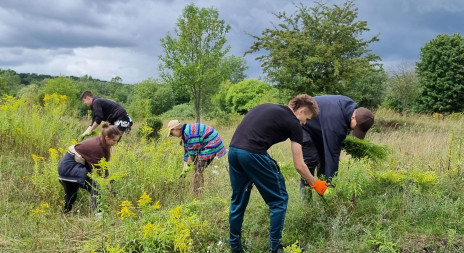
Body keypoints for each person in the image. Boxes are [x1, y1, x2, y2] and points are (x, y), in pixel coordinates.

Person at [227, 94, 328, 253]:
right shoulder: (294, 123)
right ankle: (276, 248)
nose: (304, 123)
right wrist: (314, 183)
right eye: (307, 119)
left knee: (238, 200)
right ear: (301, 111)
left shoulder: (267, 107)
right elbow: (299, 165)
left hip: (233, 151)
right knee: (279, 200)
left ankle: (235, 246)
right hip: (252, 154)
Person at [299, 95, 374, 200]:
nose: (354, 130)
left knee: (324, 162)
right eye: (356, 128)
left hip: (319, 128)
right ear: (353, 117)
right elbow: (332, 153)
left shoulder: (350, 107)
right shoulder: (336, 122)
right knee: (310, 161)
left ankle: (322, 196)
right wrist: (332, 183)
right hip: (304, 124)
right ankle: (306, 201)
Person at [58, 123, 121, 214]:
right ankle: (99, 216)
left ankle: (65, 213)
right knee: (95, 187)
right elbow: (101, 171)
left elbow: (101, 167)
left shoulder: (100, 142)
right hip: (70, 168)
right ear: (107, 137)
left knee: (71, 194)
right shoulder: (97, 147)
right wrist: (110, 188)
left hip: (70, 167)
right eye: (114, 140)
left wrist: (109, 183)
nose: (115, 143)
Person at [167, 120, 227, 194]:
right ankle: (197, 190)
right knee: (197, 166)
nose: (172, 135)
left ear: (175, 129)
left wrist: (188, 166)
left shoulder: (189, 133)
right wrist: (184, 171)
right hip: (206, 144)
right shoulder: (185, 133)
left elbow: (193, 153)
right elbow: (187, 152)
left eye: (171, 133)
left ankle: (197, 193)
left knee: (198, 169)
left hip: (212, 143)